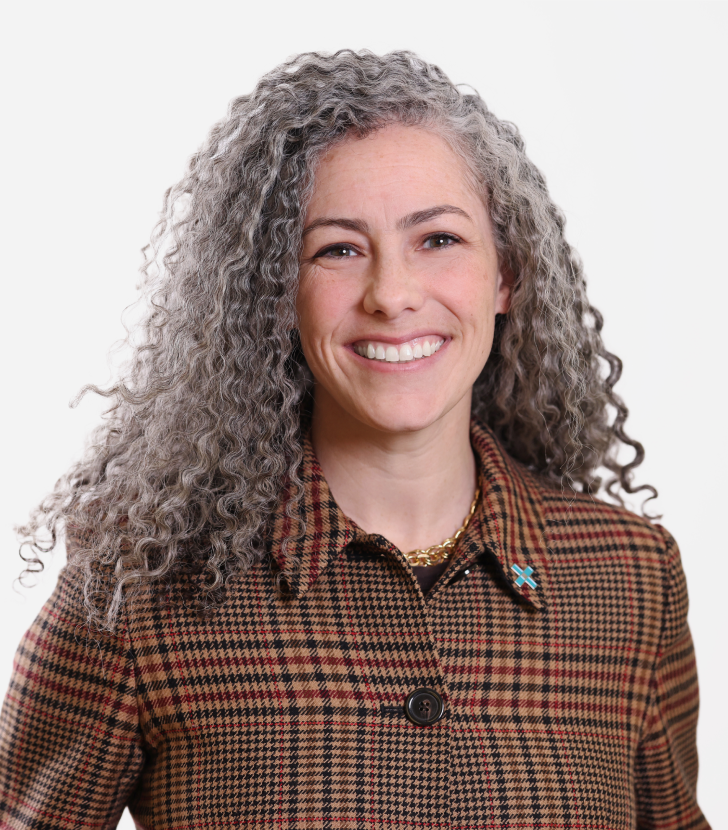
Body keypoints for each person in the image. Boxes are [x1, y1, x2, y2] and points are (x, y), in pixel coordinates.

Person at [0, 49, 709, 829]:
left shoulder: (631, 580)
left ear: (507, 274)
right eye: (338, 248)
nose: (392, 294)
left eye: (438, 239)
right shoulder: (145, 582)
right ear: (276, 295)